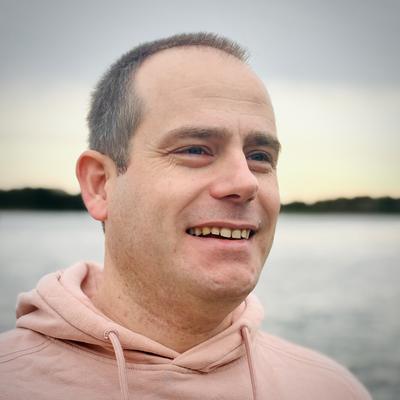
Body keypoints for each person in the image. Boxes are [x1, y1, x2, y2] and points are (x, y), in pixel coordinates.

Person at [0, 33, 371, 400]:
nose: (245, 182)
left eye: (259, 157)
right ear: (100, 185)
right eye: (195, 149)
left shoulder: (330, 389)